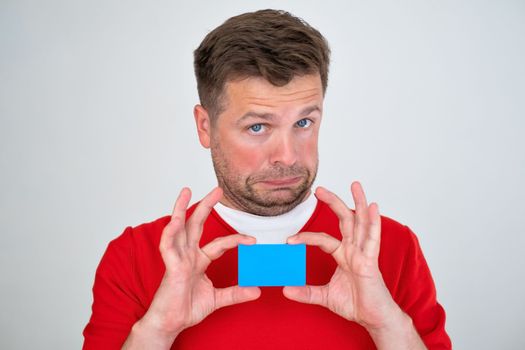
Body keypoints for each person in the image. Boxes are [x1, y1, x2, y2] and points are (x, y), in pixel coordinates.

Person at [83, 9, 451, 349]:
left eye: (303, 123)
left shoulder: (390, 249)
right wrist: (158, 329)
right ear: (205, 126)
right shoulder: (137, 255)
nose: (288, 156)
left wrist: (387, 324)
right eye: (258, 126)